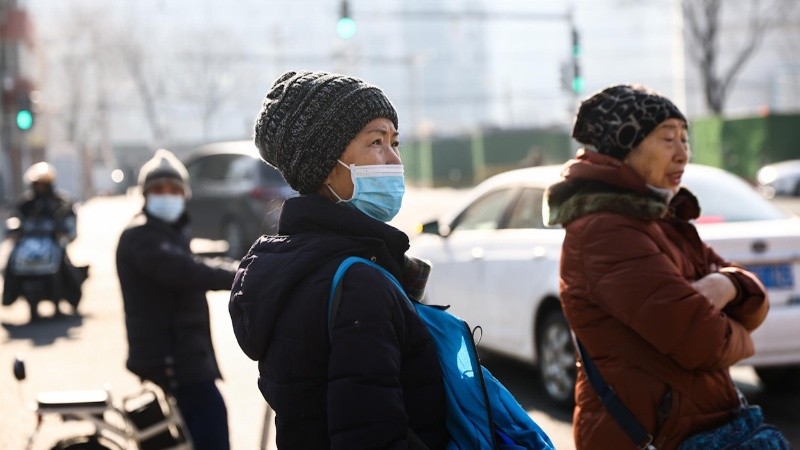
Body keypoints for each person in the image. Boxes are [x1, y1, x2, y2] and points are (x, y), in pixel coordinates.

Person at [229, 70, 449, 449]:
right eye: (376, 142)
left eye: (395, 142)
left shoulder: (298, 262)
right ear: (327, 164)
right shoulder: (358, 282)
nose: (394, 159)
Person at [544, 84, 770, 450]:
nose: (684, 154)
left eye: (685, 138)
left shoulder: (662, 218)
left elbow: (756, 299)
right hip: (650, 436)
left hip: (693, 429)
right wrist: (743, 335)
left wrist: (727, 285)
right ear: (625, 147)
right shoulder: (606, 230)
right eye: (668, 139)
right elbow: (704, 344)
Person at [116, 149, 237, 450]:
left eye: (174, 189)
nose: (166, 195)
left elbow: (192, 264)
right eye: (158, 190)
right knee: (211, 426)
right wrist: (244, 275)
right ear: (144, 195)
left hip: (182, 354)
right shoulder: (142, 236)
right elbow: (187, 271)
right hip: (172, 359)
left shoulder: (168, 233)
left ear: (185, 194)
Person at [3, 162, 88, 320]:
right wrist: (14, 230)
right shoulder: (26, 203)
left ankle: (70, 295)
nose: (40, 187)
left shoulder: (60, 202)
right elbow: (14, 218)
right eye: (37, 184)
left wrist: (64, 231)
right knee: (11, 261)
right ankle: (9, 294)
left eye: (43, 184)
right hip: (29, 244)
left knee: (63, 264)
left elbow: (70, 220)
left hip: (51, 244)